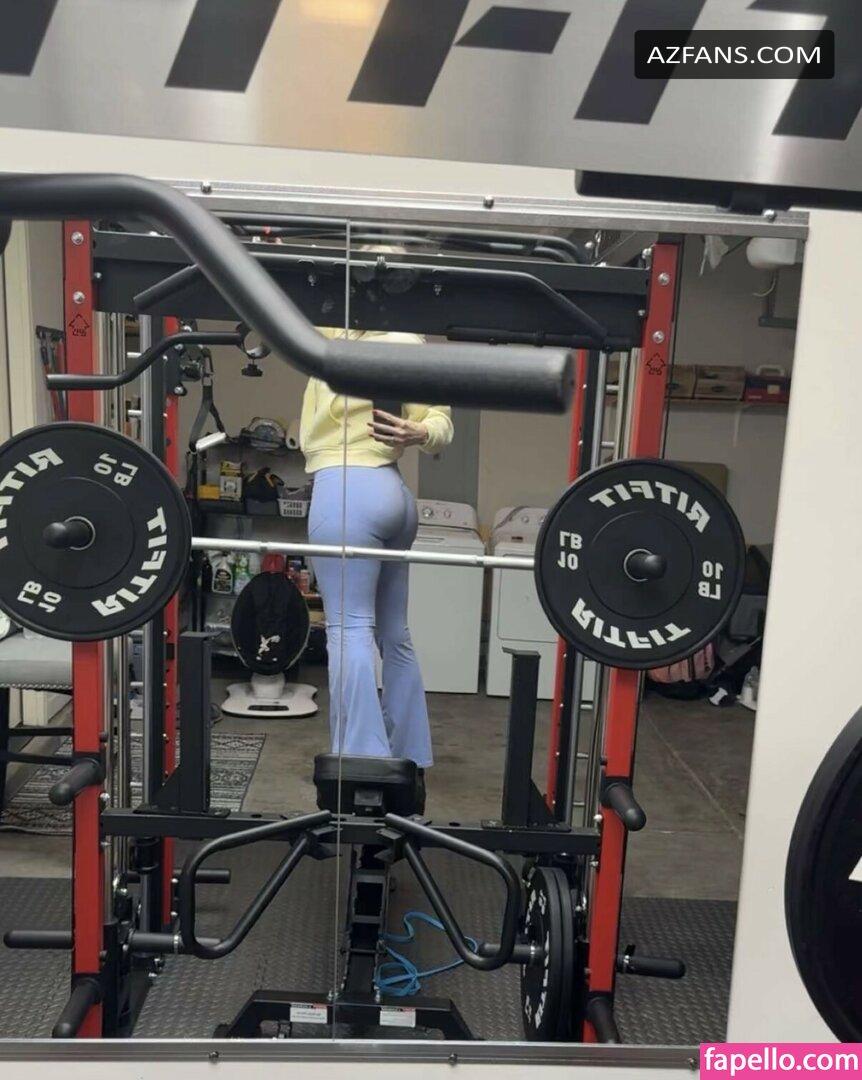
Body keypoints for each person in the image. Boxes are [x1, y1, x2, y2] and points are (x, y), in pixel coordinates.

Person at [299, 328, 454, 769]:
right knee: (393, 632)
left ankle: (362, 762)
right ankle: (410, 756)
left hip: (346, 487)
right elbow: (440, 421)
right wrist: (422, 431)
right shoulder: (410, 342)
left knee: (349, 629)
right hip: (393, 492)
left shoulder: (331, 334)